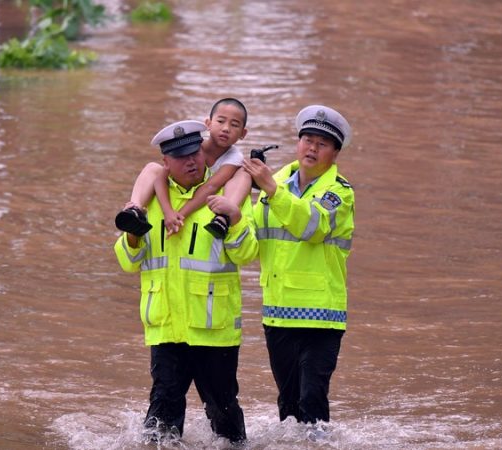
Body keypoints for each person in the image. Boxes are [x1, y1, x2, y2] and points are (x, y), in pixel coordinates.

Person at [113, 119, 259, 445]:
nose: (190, 161)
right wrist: (134, 239)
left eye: (194, 152)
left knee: (225, 417)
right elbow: (126, 261)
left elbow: (248, 254)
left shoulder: (228, 194)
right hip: (166, 329)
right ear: (166, 162)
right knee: (161, 421)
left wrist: (233, 221)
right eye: (180, 157)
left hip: (214, 330)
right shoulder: (147, 201)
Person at [241, 105, 355, 440]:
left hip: (322, 316)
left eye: (322, 143)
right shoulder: (270, 185)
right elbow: (249, 245)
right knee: (288, 409)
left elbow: (312, 225)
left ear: (335, 153)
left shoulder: (340, 193)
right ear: (297, 142)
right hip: (277, 314)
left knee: (312, 402)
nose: (312, 147)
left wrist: (270, 191)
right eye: (307, 139)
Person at [115, 98, 251, 239]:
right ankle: (134, 210)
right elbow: (160, 178)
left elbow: (211, 186)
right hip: (185, 187)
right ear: (208, 124)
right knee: (152, 167)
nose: (226, 128)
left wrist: (180, 215)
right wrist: (168, 212)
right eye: (220, 121)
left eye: (234, 125)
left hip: (206, 195)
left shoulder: (234, 157)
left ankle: (223, 218)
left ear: (243, 133)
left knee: (245, 171)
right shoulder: (195, 146)